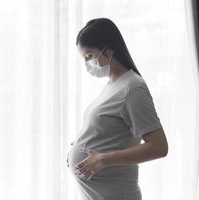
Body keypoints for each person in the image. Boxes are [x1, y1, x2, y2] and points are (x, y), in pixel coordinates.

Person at [66, 18, 168, 200]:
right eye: (84, 58)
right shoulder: (113, 84)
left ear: (109, 49)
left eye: (89, 56)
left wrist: (103, 159)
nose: (87, 63)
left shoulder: (133, 88)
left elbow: (159, 147)